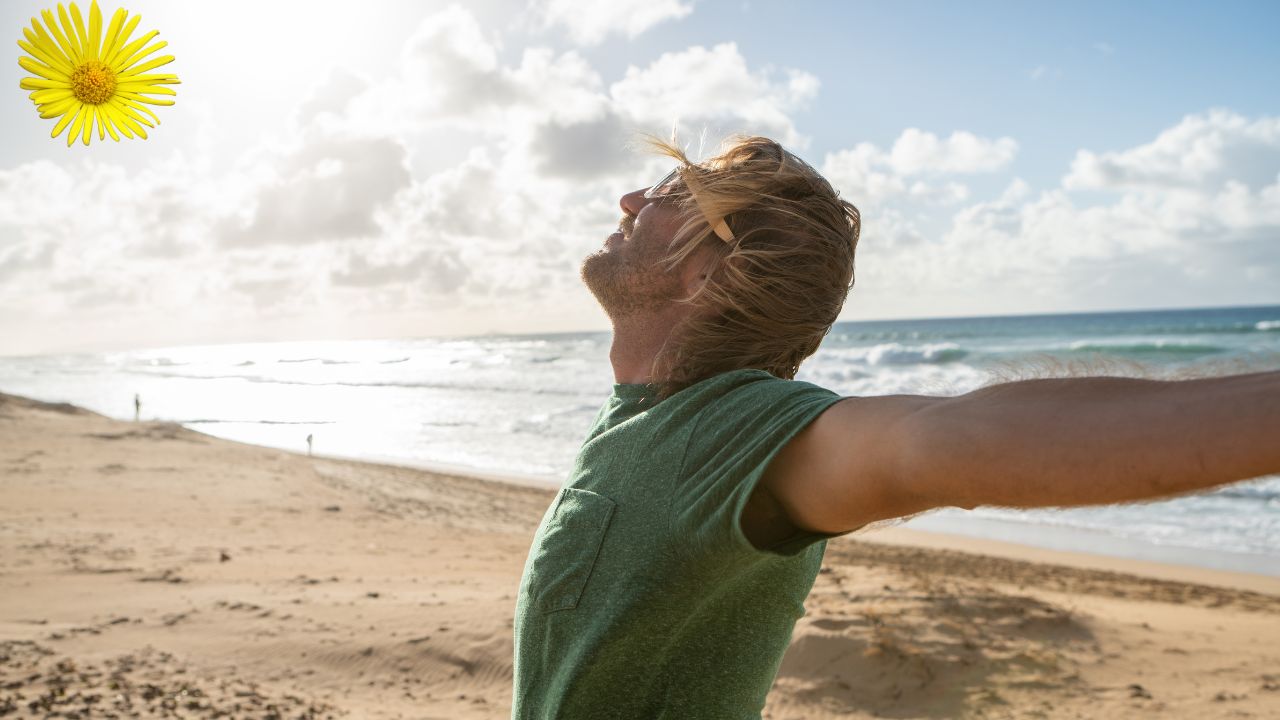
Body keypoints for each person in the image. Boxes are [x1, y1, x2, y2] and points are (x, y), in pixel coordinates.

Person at [510, 135, 1280, 719]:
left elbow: (944, 441)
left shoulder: (731, 431)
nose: (630, 201)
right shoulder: (650, 417)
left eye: (671, 190)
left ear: (712, 270)